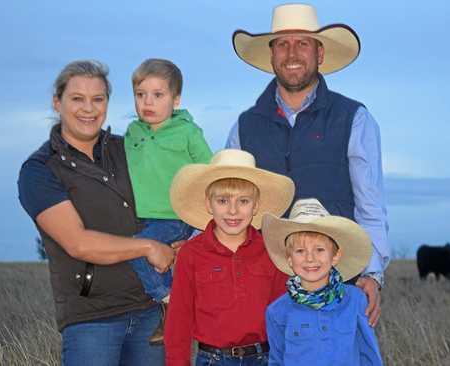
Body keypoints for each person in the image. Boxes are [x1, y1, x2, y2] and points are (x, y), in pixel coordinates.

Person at [226, 3, 389, 325]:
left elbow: (370, 204)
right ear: (271, 55)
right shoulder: (244, 126)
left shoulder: (354, 119)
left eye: (303, 43)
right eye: (283, 44)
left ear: (320, 54)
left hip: (338, 281)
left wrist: (372, 273)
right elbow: (228, 203)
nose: (292, 53)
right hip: (262, 285)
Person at [17, 60, 174, 365]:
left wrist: (176, 241)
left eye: (98, 99)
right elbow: (78, 242)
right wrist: (149, 246)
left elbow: (162, 204)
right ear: (57, 102)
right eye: (77, 98)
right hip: (92, 319)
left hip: (150, 310)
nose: (88, 109)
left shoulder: (131, 149)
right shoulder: (39, 170)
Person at [164, 149, 295, 365]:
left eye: (243, 201)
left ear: (256, 205)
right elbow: (179, 317)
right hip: (212, 359)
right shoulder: (191, 253)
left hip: (265, 357)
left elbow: (283, 314)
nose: (232, 211)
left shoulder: (271, 251)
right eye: (223, 200)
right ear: (209, 204)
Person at [125, 58, 213, 344]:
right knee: (125, 251)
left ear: (175, 100)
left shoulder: (188, 132)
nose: (147, 102)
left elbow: (209, 173)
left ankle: (173, 304)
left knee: (139, 250)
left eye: (158, 95)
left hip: (173, 215)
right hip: (139, 216)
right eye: (141, 95)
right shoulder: (132, 133)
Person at [263, 198, 383, 365]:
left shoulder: (356, 300)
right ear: (289, 259)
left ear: (335, 256)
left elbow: (369, 355)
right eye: (300, 251)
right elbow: (277, 360)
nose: (310, 258)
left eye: (319, 249)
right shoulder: (277, 311)